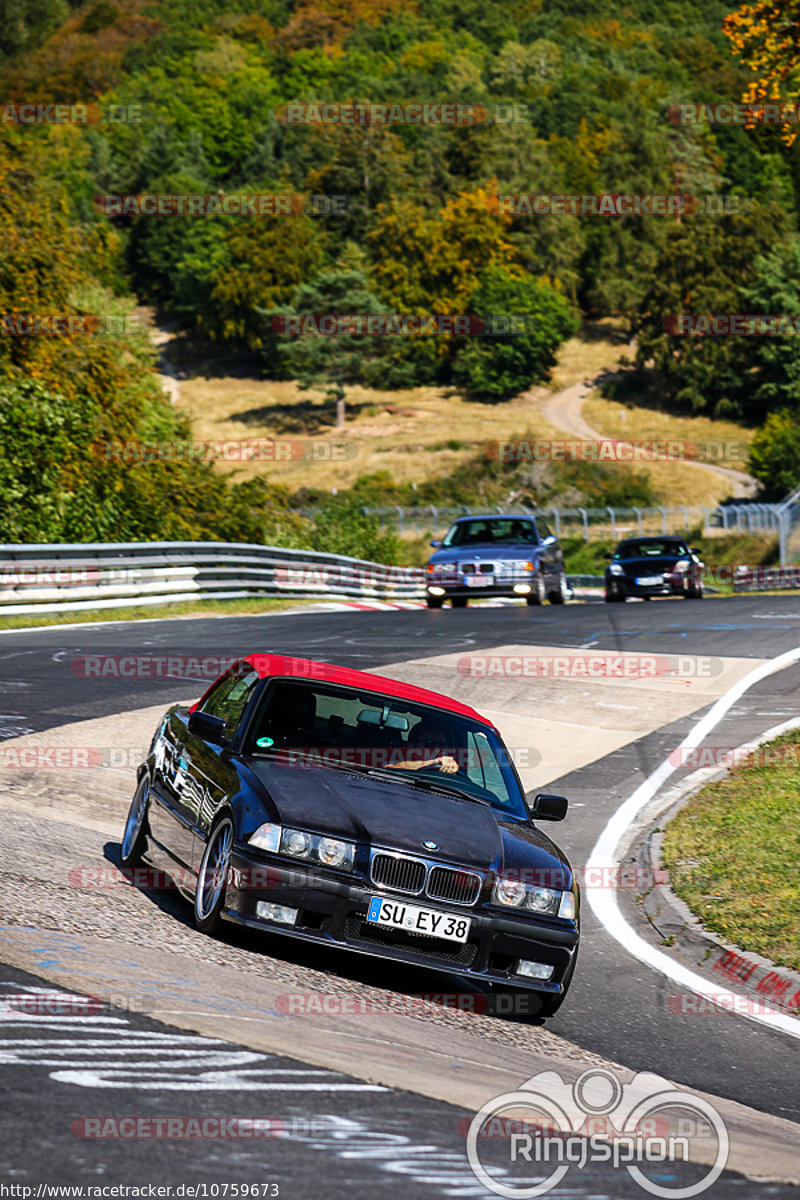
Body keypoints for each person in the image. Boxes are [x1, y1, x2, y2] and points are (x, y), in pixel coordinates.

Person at [386, 717, 459, 773]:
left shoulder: (447, 772)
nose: (437, 750)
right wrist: (433, 762)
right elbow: (393, 768)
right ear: (411, 746)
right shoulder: (395, 762)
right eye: (429, 744)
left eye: (442, 745)